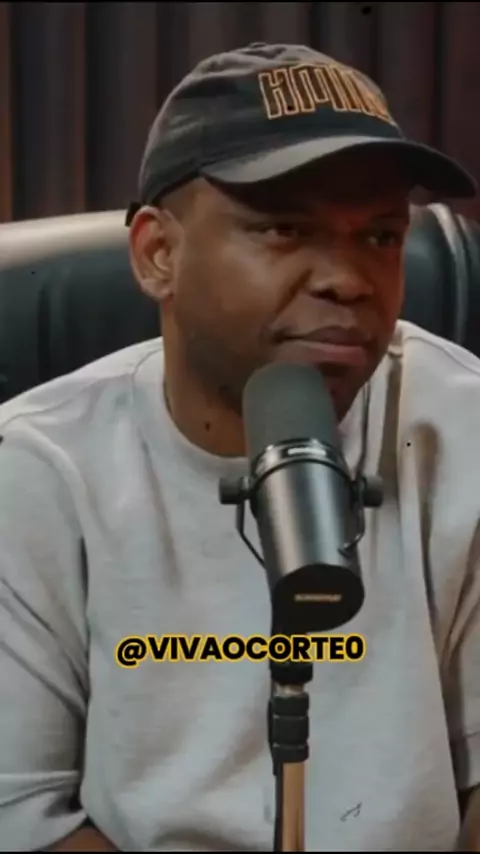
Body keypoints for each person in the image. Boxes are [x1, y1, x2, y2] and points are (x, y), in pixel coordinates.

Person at [0, 41, 479, 853]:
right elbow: (22, 813)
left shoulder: (461, 426)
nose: (348, 280)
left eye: (380, 237)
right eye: (285, 229)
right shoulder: (37, 471)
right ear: (158, 254)